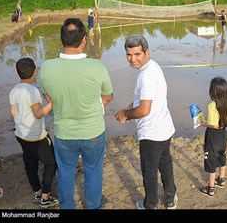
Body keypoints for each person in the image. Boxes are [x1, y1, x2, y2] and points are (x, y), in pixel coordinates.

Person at [40, 18, 114, 209]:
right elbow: (108, 96)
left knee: (65, 172)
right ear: (84, 40)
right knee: (93, 171)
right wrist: (93, 104)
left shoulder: (47, 67)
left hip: (64, 133)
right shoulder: (97, 67)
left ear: (62, 40)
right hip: (93, 132)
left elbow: (48, 96)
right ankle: (93, 206)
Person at [115, 34, 178, 210]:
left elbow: (144, 110)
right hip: (164, 128)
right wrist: (126, 108)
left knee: (149, 171)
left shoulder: (146, 75)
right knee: (165, 164)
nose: (132, 59)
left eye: (137, 54)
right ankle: (170, 199)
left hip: (152, 133)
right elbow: (145, 99)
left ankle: (150, 205)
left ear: (146, 52)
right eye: (129, 55)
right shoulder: (152, 67)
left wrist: (126, 115)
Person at [9, 57, 58, 209]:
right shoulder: (33, 91)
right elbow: (38, 113)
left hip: (21, 135)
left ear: (17, 72)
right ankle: (45, 197)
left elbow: (13, 112)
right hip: (36, 136)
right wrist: (52, 103)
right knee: (51, 163)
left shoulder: (14, 90)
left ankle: (37, 193)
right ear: (35, 72)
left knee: (30, 164)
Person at [200, 76, 227, 198]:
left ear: (212, 91)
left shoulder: (211, 106)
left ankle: (210, 189)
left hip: (212, 136)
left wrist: (202, 123)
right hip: (223, 136)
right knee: (222, 156)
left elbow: (213, 124)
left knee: (211, 161)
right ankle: (222, 180)